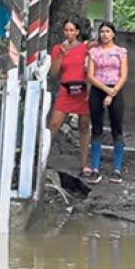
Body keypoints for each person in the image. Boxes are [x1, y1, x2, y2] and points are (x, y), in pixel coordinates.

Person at [47, 19, 93, 176]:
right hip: (66, 90)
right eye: (66, 30)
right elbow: (53, 73)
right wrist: (60, 55)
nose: (68, 33)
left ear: (77, 32)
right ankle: (42, 159)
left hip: (82, 91)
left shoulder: (85, 48)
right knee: (53, 124)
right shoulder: (58, 48)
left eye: (72, 30)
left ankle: (84, 163)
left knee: (84, 126)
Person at [85, 21, 128, 184]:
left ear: (113, 34)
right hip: (98, 89)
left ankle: (117, 169)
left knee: (117, 129)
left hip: (115, 89)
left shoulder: (121, 52)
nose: (104, 34)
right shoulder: (94, 52)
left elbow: (123, 75)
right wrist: (105, 90)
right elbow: (90, 75)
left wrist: (113, 92)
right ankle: (95, 168)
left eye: (107, 31)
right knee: (96, 128)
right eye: (102, 31)